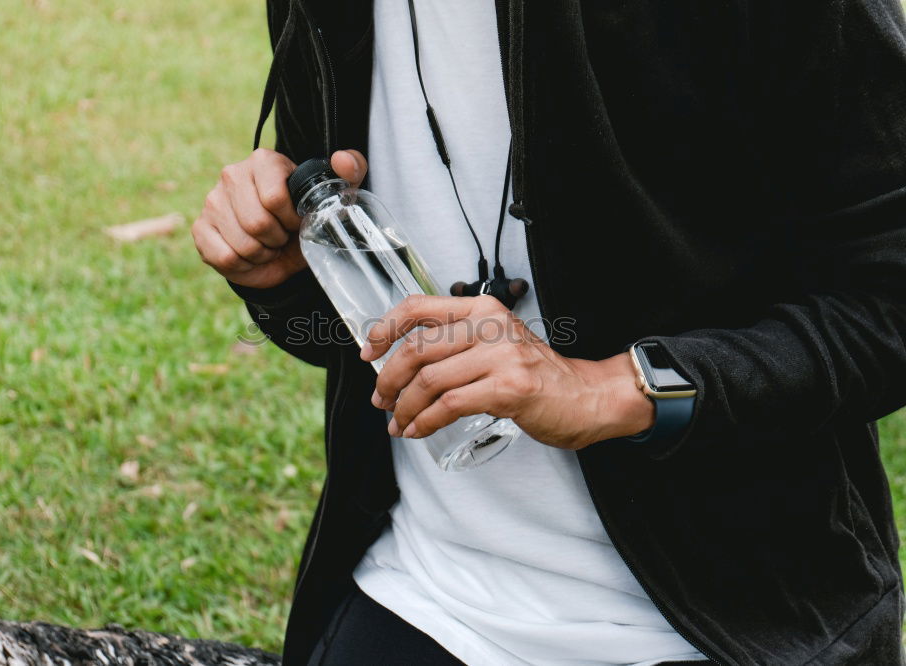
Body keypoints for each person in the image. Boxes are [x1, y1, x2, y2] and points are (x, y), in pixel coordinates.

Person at [191, 0, 906, 664]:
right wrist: (284, 275)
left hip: (729, 625)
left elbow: (886, 297)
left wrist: (614, 390)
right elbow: (365, 349)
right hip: (413, 588)